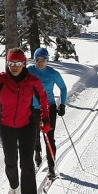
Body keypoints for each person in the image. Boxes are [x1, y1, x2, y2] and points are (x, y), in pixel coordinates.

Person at [0, 47, 51, 194]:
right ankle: (13, 187)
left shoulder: (32, 81)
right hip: (7, 126)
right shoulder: (1, 80)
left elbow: (44, 100)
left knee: (26, 164)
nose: (15, 66)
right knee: (10, 161)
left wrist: (46, 120)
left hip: (27, 126)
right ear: (7, 63)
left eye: (19, 63)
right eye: (12, 63)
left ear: (24, 63)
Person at [28, 47, 67, 179]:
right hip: (32, 109)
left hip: (48, 109)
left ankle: (51, 168)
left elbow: (63, 88)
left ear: (47, 60)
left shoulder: (53, 73)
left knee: (49, 138)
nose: (40, 62)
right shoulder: (29, 71)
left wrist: (62, 104)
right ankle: (37, 155)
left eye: (43, 60)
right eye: (37, 60)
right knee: (33, 136)